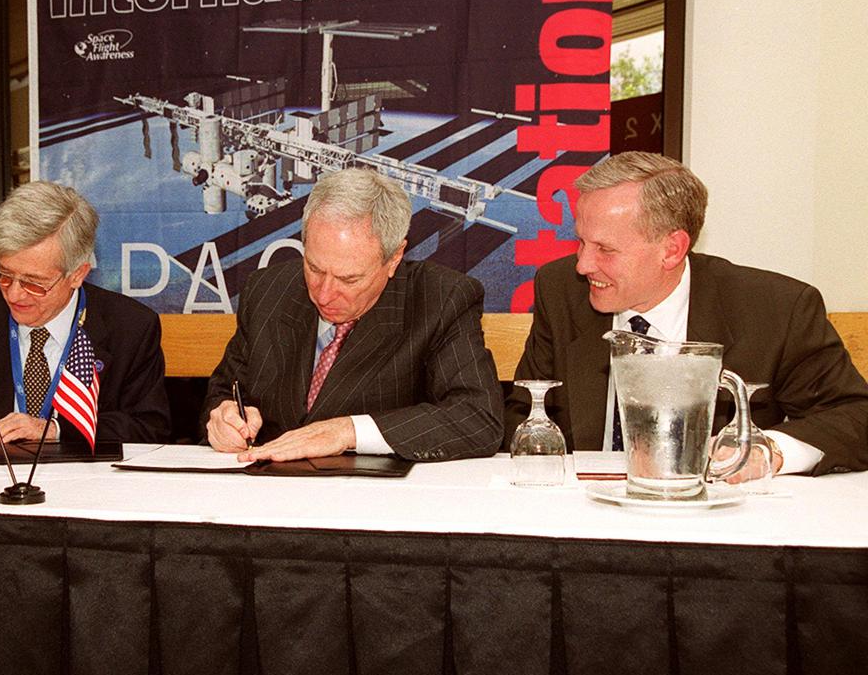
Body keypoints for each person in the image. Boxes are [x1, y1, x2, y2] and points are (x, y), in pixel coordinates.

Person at [507, 151, 868, 476]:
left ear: (672, 249)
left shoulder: (775, 308)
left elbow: (855, 415)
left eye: (605, 249)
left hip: (716, 518)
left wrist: (769, 451)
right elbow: (523, 412)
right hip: (586, 511)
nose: (583, 264)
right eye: (581, 241)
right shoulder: (561, 290)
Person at [203, 168, 503, 462]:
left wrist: (348, 431)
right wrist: (224, 419)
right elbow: (223, 392)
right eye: (314, 268)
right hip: (265, 487)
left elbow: (477, 417)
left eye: (349, 279)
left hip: (375, 491)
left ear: (394, 258)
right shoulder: (268, 290)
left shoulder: (440, 299)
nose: (324, 294)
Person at [0, 181, 170, 446]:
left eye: (34, 283)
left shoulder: (130, 327)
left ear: (77, 274)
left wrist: (54, 430)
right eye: (4, 274)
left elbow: (149, 427)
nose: (14, 294)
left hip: (86, 478)